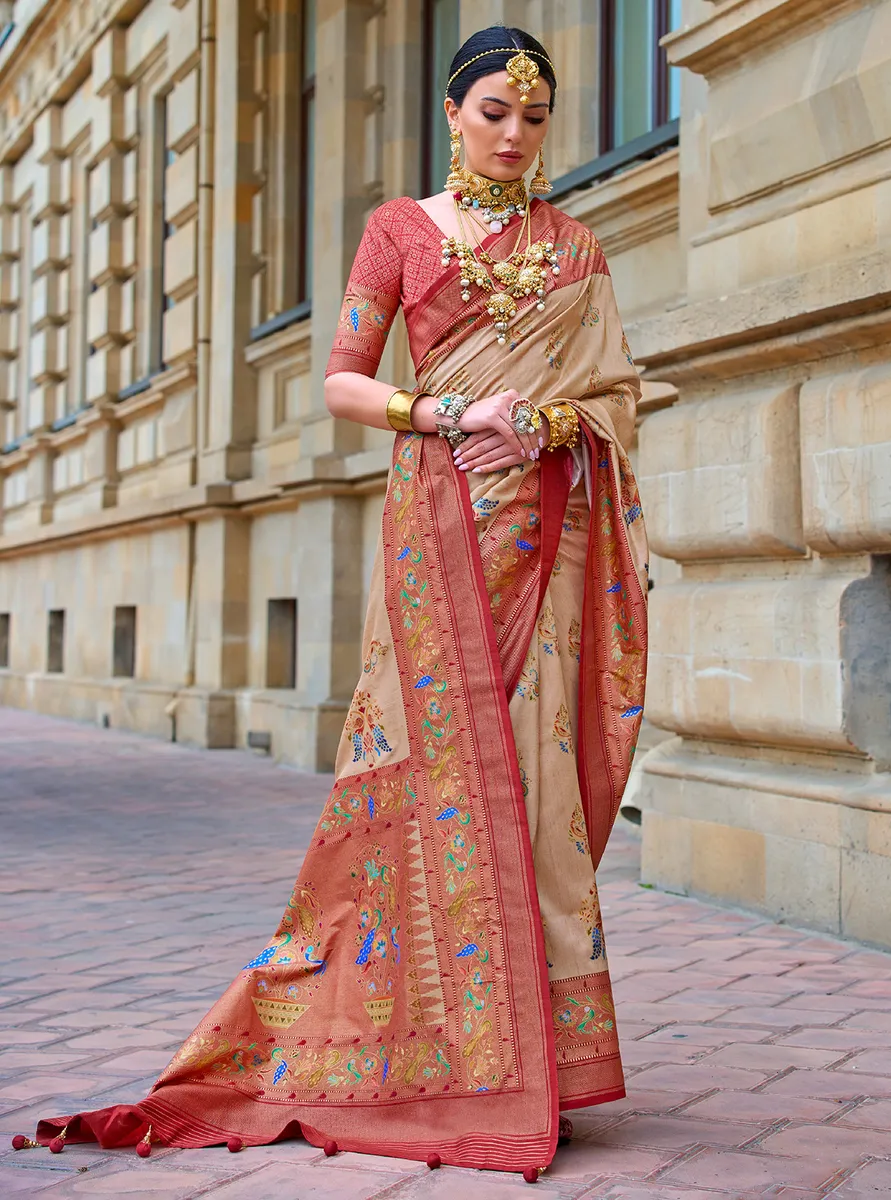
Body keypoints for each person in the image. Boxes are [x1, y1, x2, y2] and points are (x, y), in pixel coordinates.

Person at [24, 25, 648, 1182]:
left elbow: (615, 389)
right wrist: (454, 417)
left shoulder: (577, 246)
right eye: (494, 113)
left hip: (547, 535)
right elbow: (341, 382)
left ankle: (532, 1057)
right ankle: (414, 1040)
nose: (514, 135)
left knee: (535, 773)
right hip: (441, 530)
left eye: (534, 116)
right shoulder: (400, 232)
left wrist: (554, 421)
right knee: (422, 773)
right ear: (453, 114)